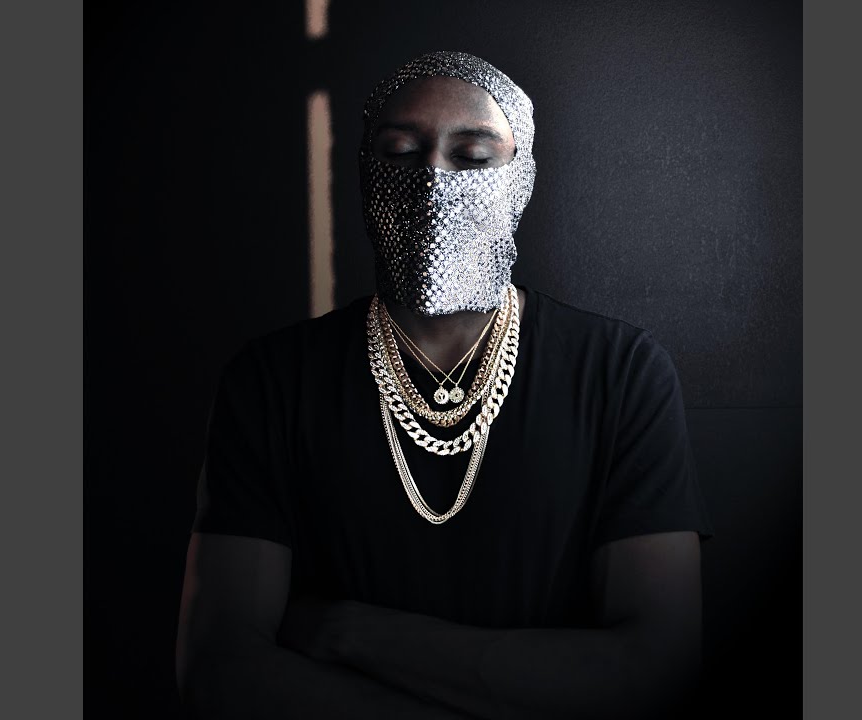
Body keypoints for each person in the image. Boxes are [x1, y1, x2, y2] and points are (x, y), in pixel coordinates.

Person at [175, 51, 714, 720]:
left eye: (473, 157)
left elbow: (655, 668)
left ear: (521, 180)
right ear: (366, 175)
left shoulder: (620, 373)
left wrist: (351, 632)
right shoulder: (272, 381)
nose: (433, 181)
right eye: (401, 152)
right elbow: (220, 671)